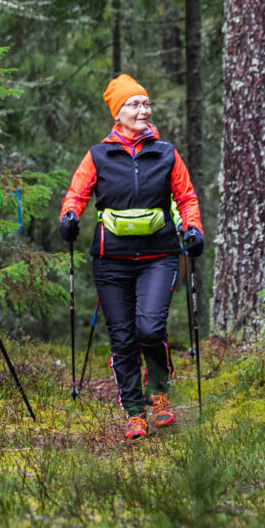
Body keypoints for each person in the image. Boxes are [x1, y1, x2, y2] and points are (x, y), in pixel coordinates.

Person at [58, 74, 205, 440]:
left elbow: (186, 198)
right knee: (123, 338)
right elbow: (76, 195)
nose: (143, 109)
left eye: (146, 103)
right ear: (117, 113)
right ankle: (135, 411)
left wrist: (194, 229)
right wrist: (69, 217)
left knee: (150, 328)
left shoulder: (166, 152)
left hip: (159, 255)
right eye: (134, 104)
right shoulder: (99, 155)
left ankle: (160, 391)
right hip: (111, 260)